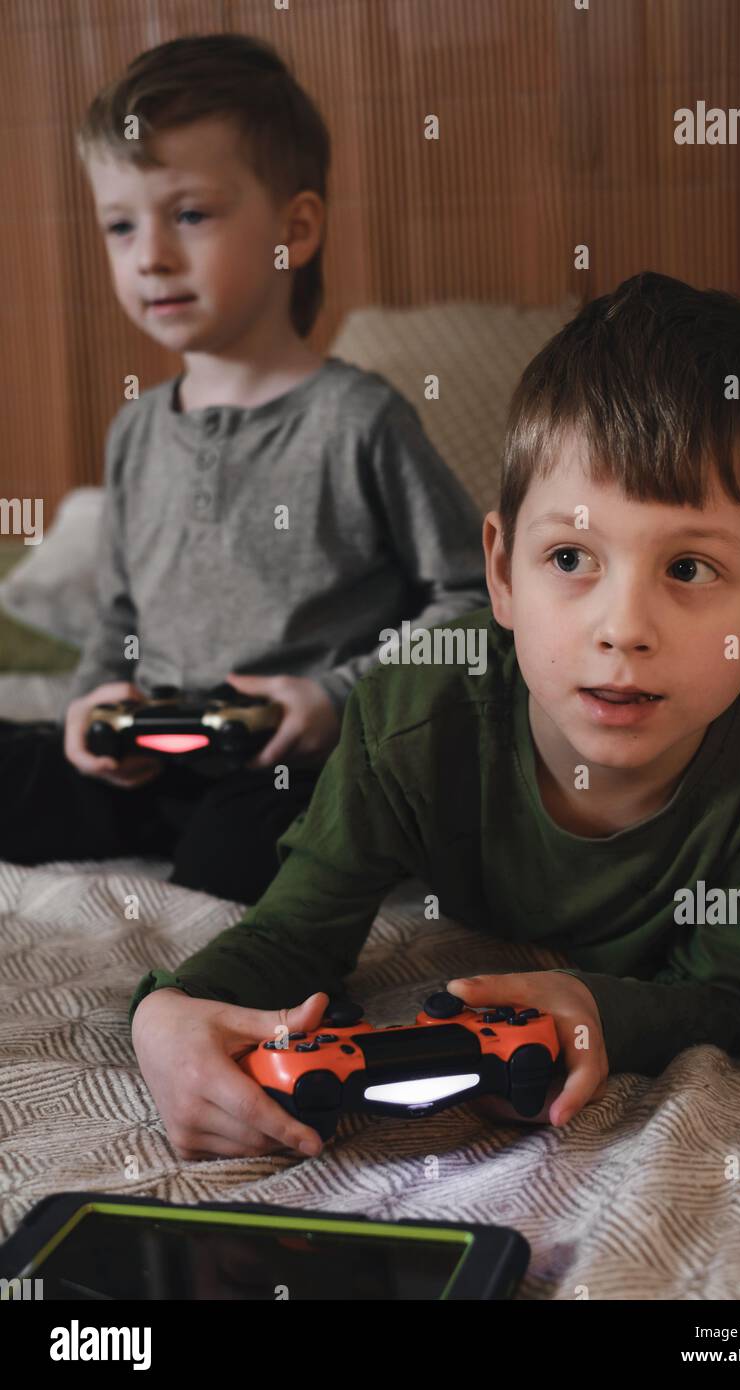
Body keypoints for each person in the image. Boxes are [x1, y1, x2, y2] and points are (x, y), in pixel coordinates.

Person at [130, 271, 740, 1162]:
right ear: (502, 572)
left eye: (690, 569)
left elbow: (734, 992)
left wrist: (600, 1011)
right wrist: (164, 1014)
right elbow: (293, 932)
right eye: (571, 556)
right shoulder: (413, 705)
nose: (623, 629)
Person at [0, 34, 487, 904]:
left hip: (290, 765)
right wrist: (94, 702)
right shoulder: (137, 430)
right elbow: (120, 617)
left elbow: (472, 605)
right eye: (120, 224)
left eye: (189, 214)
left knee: (251, 852)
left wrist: (335, 698)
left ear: (293, 230)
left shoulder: (358, 419)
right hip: (150, 758)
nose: (149, 254)